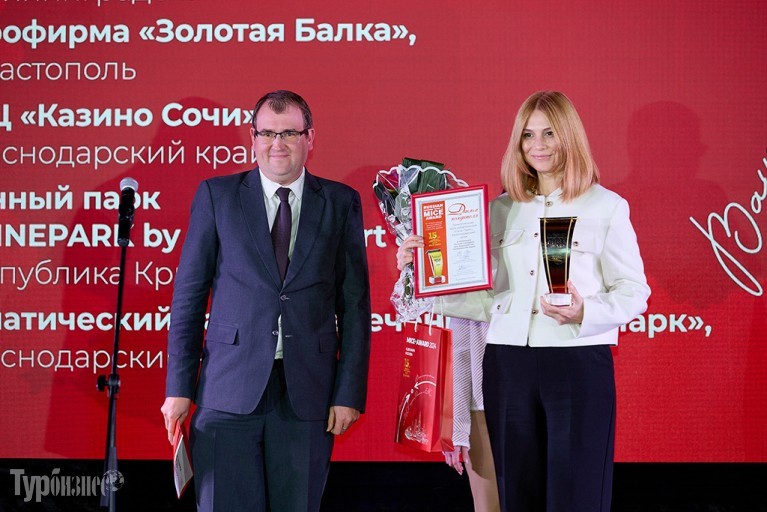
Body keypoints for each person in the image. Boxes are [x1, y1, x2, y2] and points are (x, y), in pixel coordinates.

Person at [398, 90, 650, 511]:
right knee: (517, 494)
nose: (538, 145)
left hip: (577, 362)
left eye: (549, 133)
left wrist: (585, 310)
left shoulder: (606, 206)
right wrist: (420, 274)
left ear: (570, 136)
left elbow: (634, 291)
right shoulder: (499, 209)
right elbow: (486, 300)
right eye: (528, 135)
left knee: (578, 495)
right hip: (507, 363)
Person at [161, 90, 372, 512]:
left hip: (307, 395)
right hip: (227, 392)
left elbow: (355, 307)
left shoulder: (340, 202)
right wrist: (179, 388)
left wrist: (348, 392)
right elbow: (188, 299)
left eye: (289, 133)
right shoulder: (218, 196)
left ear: (310, 137)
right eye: (268, 133)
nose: (278, 144)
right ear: (253, 138)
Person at [443, 317, 500, 512]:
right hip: (483, 411)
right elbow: (459, 354)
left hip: (545, 407)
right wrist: (457, 426)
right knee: (489, 506)